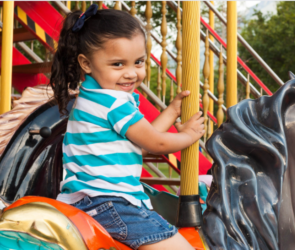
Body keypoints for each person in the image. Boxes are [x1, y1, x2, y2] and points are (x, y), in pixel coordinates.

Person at [50, 5, 203, 250]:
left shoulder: (91, 97)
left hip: (86, 202)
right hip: (114, 203)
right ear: (86, 64)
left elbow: (139, 142)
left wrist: (171, 112)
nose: (131, 73)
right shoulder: (115, 104)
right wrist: (189, 135)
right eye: (118, 64)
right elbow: (156, 143)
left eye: (139, 62)